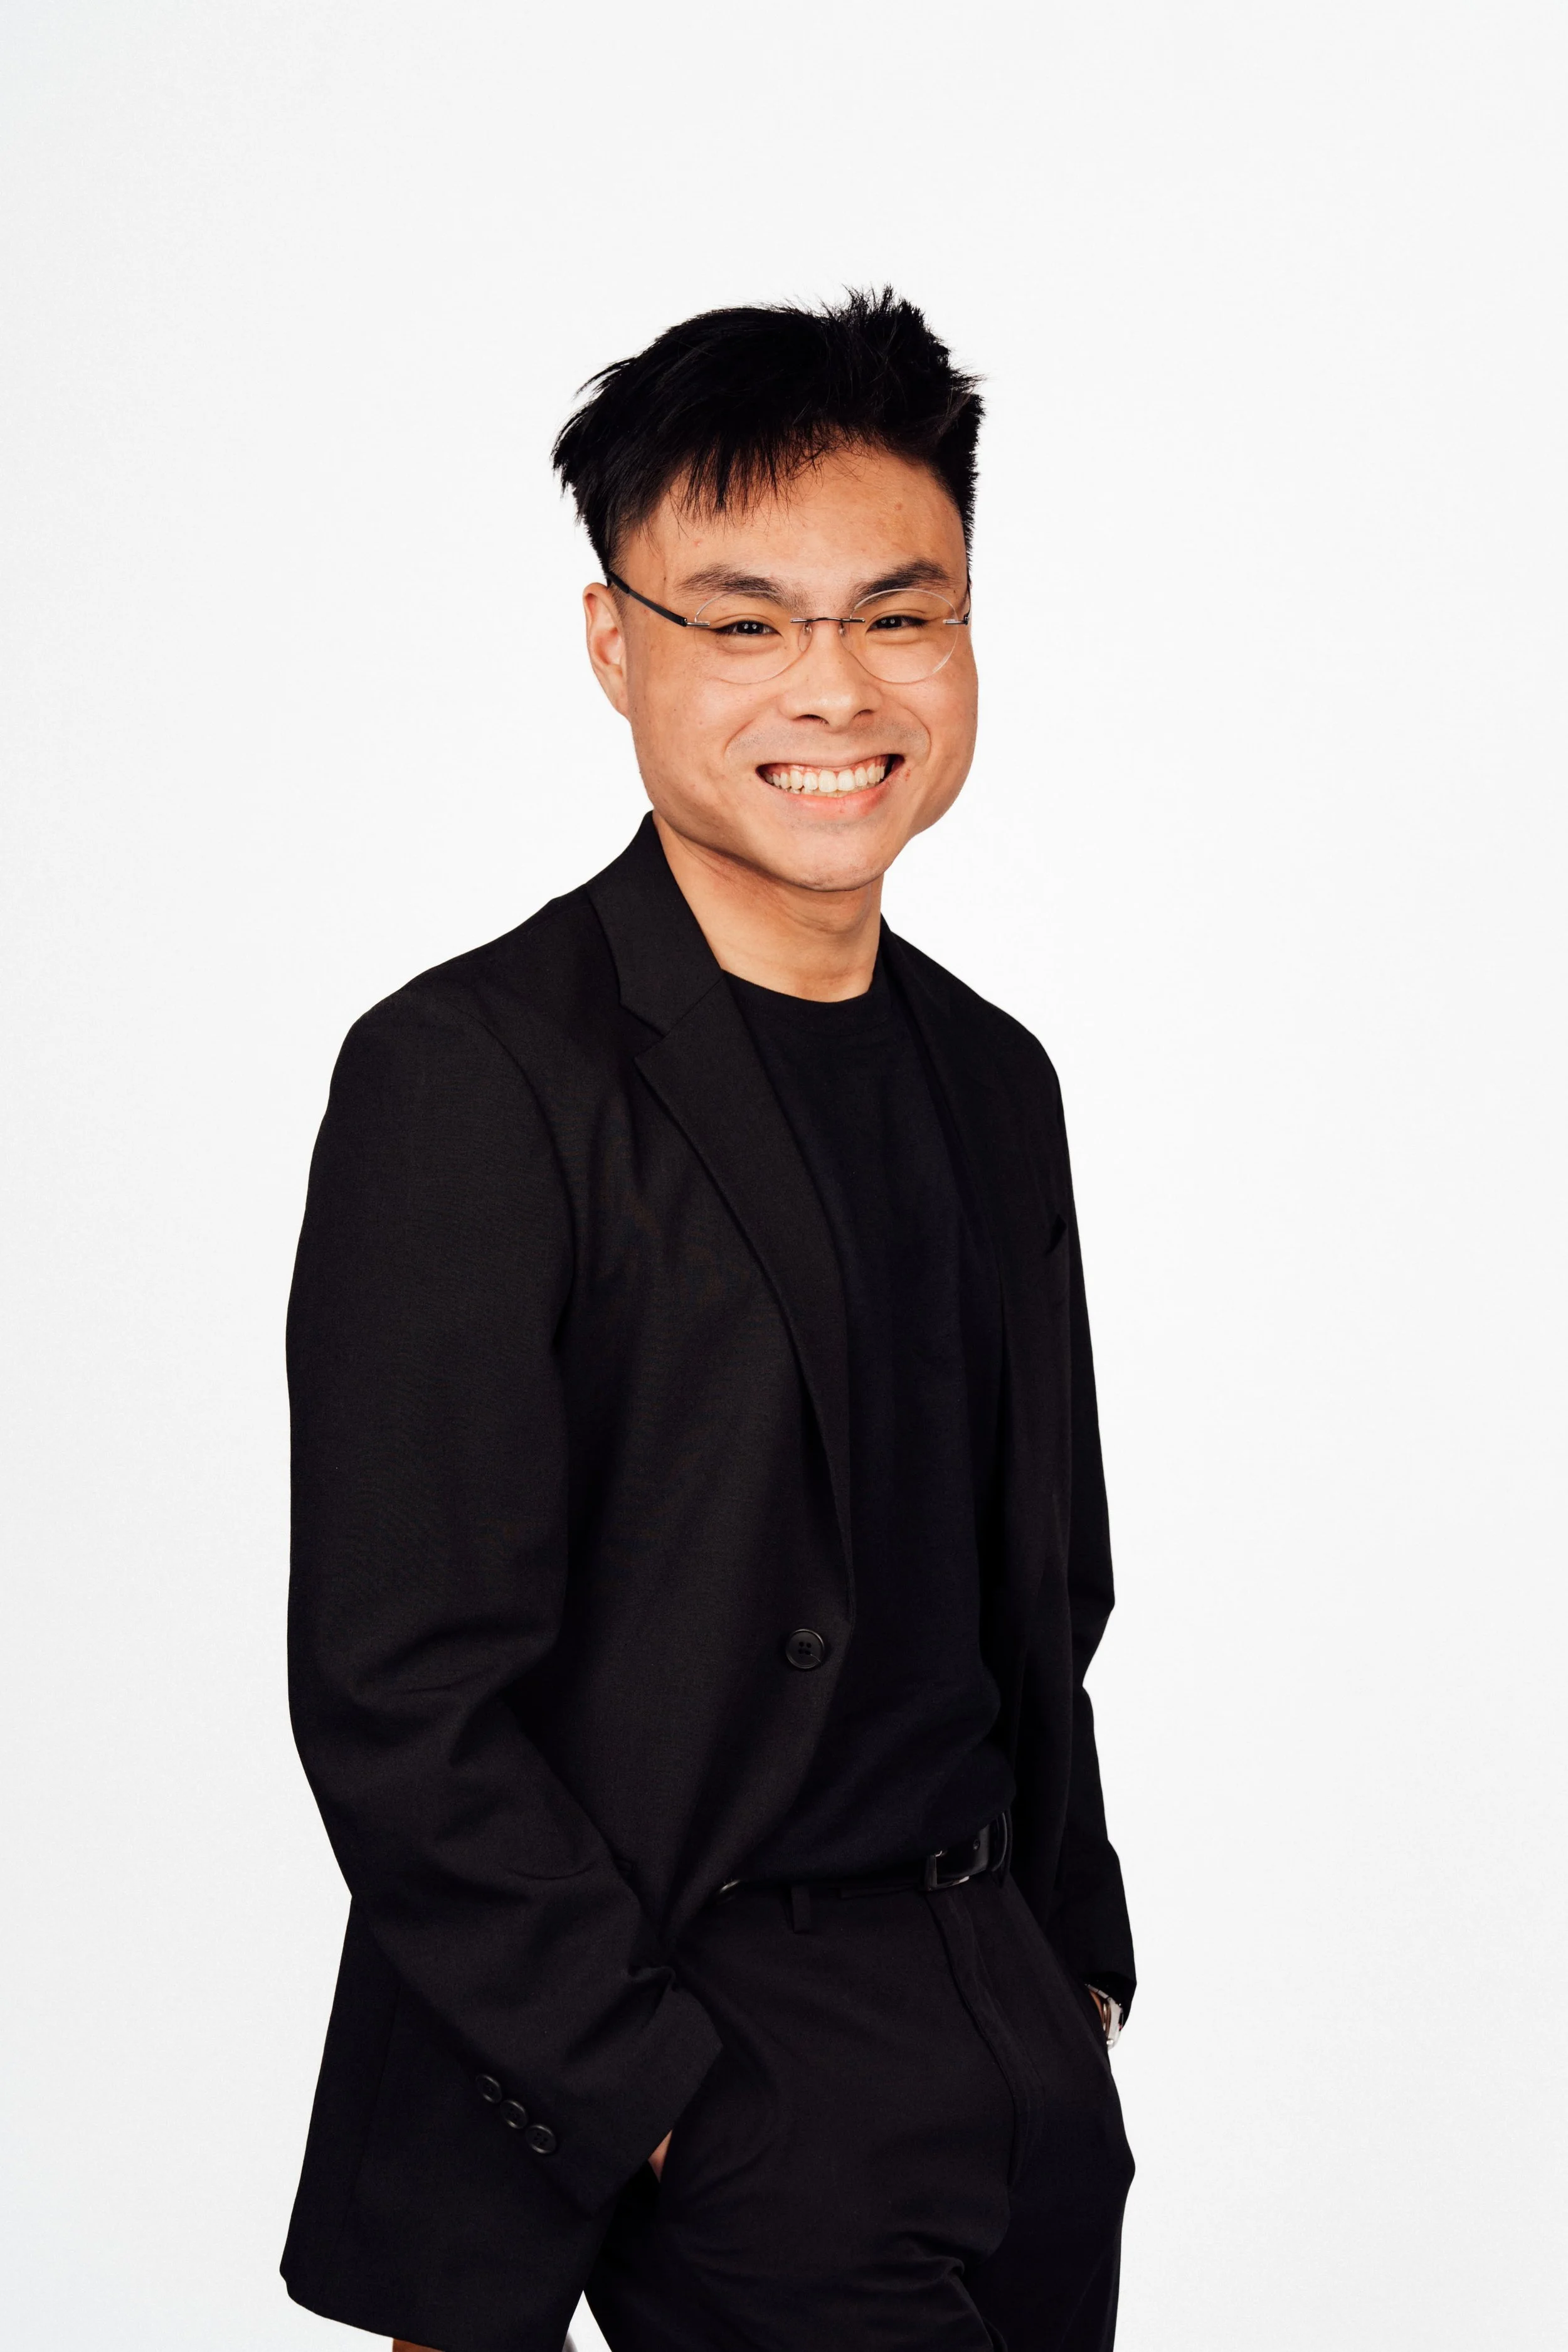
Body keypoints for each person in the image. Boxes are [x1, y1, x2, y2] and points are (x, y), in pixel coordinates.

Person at [281, 290, 1135, 2352]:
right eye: (741, 621)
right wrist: (652, 2091)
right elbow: (402, 1690)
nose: (830, 687)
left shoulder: (990, 1074)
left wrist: (1071, 1964)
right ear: (614, 645)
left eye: (895, 615)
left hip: (1000, 2039)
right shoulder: (474, 1071)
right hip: (702, 2056)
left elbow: (1041, 1587)